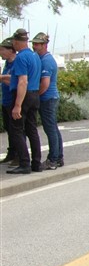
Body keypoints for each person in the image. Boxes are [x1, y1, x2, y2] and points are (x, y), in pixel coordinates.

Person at [6, 28, 42, 174]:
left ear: (15, 41)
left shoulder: (21, 58)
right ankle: (36, 163)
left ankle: (24, 163)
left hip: (23, 95)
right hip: (34, 94)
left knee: (16, 130)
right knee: (32, 129)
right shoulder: (35, 56)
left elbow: (22, 82)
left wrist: (17, 105)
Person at [31, 33, 63, 169]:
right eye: (34, 44)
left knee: (50, 129)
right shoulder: (44, 58)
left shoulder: (46, 61)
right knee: (53, 128)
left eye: (37, 44)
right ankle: (58, 157)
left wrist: (34, 96)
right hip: (50, 97)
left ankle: (53, 159)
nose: (34, 46)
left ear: (44, 45)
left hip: (47, 98)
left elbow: (45, 84)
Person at [0, 38, 17, 164]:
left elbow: (14, 80)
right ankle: (11, 153)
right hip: (5, 101)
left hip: (13, 100)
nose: (0, 53)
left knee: (16, 130)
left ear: (11, 50)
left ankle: (18, 155)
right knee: (9, 129)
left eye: (2, 50)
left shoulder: (16, 63)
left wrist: (2, 77)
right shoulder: (7, 64)